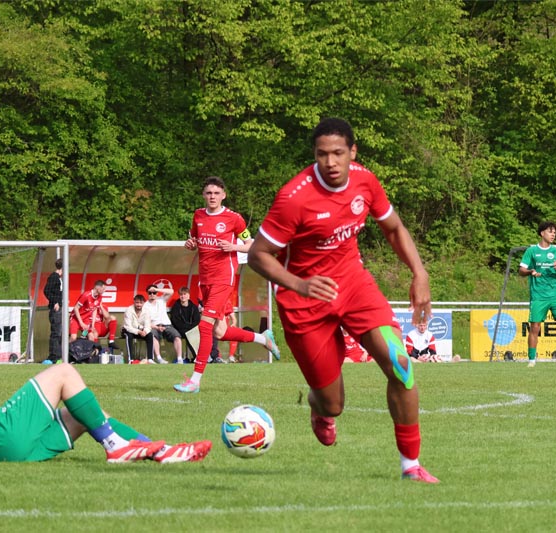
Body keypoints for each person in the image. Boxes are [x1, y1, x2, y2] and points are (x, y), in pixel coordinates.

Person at [247, 118, 438, 483]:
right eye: (322, 154)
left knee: (400, 363)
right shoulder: (294, 198)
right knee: (334, 403)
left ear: (353, 151)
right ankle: (320, 407)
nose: (330, 162)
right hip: (304, 302)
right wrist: (299, 284)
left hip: (353, 284)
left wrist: (419, 272)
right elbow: (258, 255)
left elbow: (394, 228)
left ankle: (410, 466)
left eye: (338, 153)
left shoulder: (365, 181)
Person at [0, 365, 211, 464]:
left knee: (86, 415)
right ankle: (115, 446)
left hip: (3, 449)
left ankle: (158, 450)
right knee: (63, 373)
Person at [174, 176, 281, 393]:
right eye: (208, 193)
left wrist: (234, 247)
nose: (212, 196)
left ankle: (195, 380)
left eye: (216, 193)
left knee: (204, 326)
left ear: (223, 195)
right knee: (220, 332)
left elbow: (251, 245)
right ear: (204, 195)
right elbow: (194, 240)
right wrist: (190, 244)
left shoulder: (234, 218)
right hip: (205, 280)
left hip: (224, 279)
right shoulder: (198, 215)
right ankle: (263, 338)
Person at [518, 221, 556, 368]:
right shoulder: (532, 251)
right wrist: (530, 271)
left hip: (555, 294)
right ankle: (532, 360)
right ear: (542, 233)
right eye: (550, 232)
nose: (553, 234)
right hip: (538, 295)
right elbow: (521, 270)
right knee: (535, 327)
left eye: (555, 232)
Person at [69, 280, 117, 353]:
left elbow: (94, 310)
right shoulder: (86, 295)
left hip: (86, 319)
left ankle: (89, 356)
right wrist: (81, 323)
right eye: (103, 289)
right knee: (73, 337)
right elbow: (76, 308)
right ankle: (64, 353)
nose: (104, 291)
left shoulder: (99, 297)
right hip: (76, 318)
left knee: (91, 337)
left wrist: (93, 325)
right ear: (98, 288)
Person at [143, 284, 183, 364]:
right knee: (152, 336)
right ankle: (159, 358)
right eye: (150, 293)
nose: (152, 294)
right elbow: (146, 322)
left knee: (177, 336)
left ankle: (179, 359)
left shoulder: (161, 299)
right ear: (147, 293)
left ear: (157, 293)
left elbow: (171, 291)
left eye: (154, 292)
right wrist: (156, 327)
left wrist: (157, 289)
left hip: (167, 325)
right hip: (154, 326)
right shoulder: (145, 306)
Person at [170, 286, 201, 362]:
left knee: (195, 334)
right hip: (180, 330)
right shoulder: (175, 307)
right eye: (181, 294)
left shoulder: (194, 307)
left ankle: (201, 356)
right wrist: (187, 328)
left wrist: (190, 328)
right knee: (190, 334)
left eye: (185, 294)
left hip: (192, 329)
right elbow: (175, 322)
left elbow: (197, 320)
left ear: (189, 296)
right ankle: (197, 357)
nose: (183, 296)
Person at [122, 294, 155, 363]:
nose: (139, 305)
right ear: (134, 302)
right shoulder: (129, 310)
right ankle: (130, 359)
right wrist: (139, 332)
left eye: (141, 303)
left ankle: (150, 359)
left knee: (150, 335)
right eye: (137, 302)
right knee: (129, 336)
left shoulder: (146, 311)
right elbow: (128, 327)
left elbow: (148, 325)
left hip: (141, 330)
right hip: (128, 330)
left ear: (143, 303)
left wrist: (145, 331)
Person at [43, 258, 64, 362]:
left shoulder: (59, 278)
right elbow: (46, 290)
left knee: (58, 333)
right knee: (56, 333)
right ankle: (54, 356)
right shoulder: (54, 277)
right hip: (55, 310)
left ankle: (58, 355)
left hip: (59, 308)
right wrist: (55, 302)